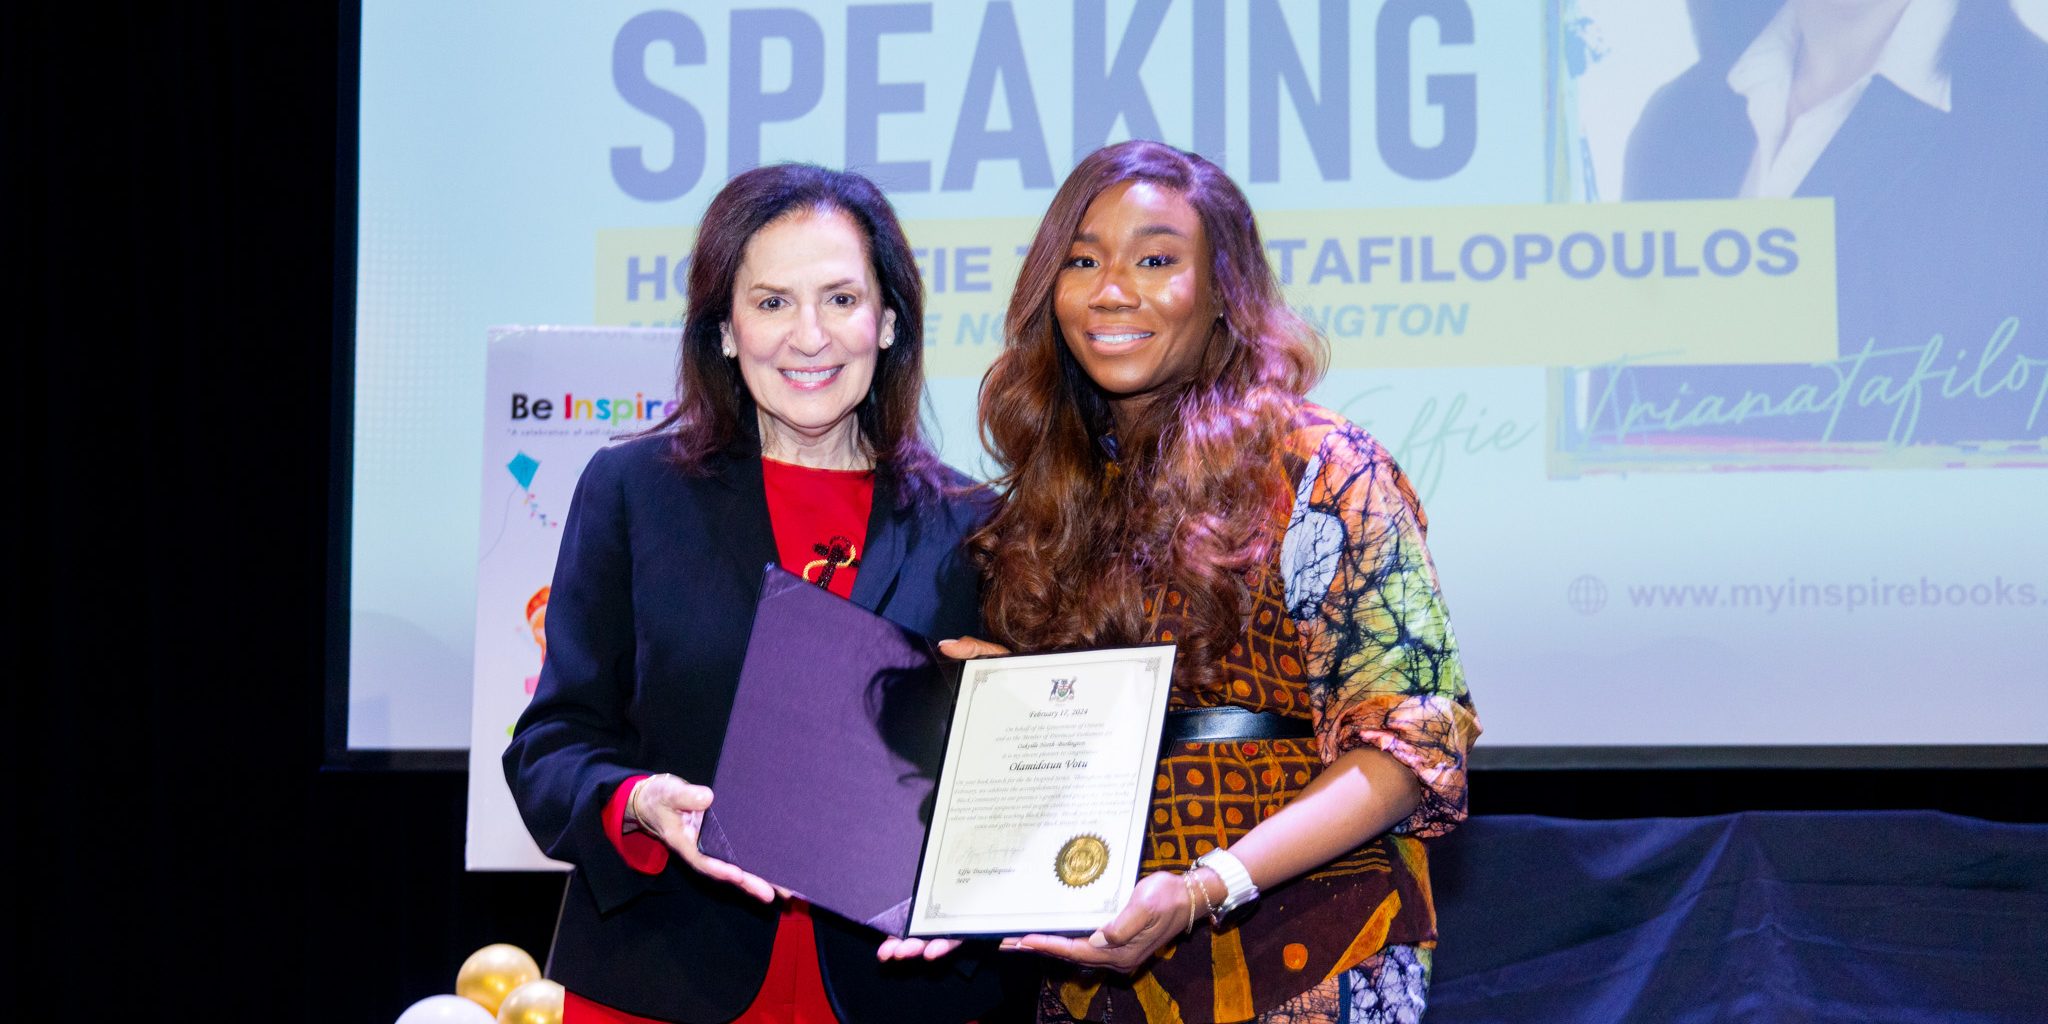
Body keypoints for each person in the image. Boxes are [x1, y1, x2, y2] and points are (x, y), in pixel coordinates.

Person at [956, 140, 1479, 1023]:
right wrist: (989, 703)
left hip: (1309, 963)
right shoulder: (1056, 498)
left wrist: (1207, 886)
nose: (1111, 291)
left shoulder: (1321, 470)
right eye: (1082, 261)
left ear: (1225, 294)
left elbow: (1408, 748)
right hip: (1095, 982)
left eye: (1156, 261)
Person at [504, 163, 1014, 1024]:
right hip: (661, 982)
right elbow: (551, 746)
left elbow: (1000, 784)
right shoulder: (633, 493)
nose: (808, 337)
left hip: (894, 989)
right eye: (773, 302)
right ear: (726, 331)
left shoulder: (971, 526)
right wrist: (639, 806)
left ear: (889, 322)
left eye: (841, 299)